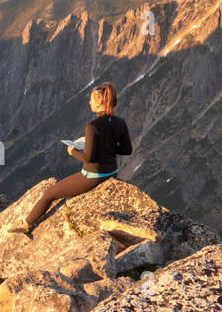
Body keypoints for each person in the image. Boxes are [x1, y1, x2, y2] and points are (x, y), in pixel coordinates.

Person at [11, 82, 132, 238]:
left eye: (91, 100)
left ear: (99, 102)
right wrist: (106, 147)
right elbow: (126, 150)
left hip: (93, 177)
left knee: (50, 193)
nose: (89, 102)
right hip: (111, 173)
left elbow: (88, 158)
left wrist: (73, 151)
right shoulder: (120, 122)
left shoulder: (93, 126)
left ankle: (27, 225)